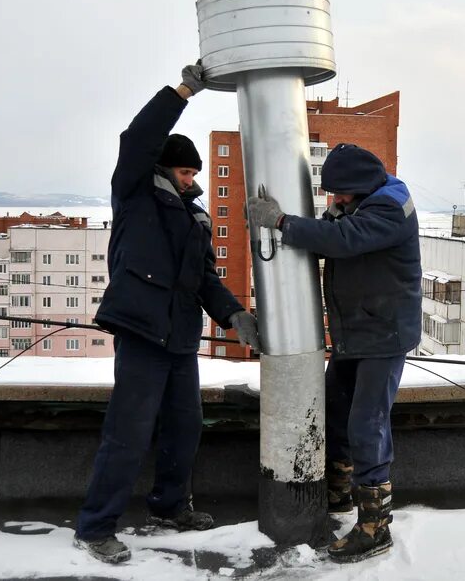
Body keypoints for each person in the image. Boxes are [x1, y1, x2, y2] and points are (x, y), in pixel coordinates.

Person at [74, 63, 260, 564]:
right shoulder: (134, 191)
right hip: (140, 332)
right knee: (128, 433)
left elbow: (203, 280)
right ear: (162, 167)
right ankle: (95, 528)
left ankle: (170, 506)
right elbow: (138, 135)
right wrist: (182, 92)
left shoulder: (195, 215)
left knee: (185, 426)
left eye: (196, 172)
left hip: (180, 338)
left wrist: (234, 317)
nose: (192, 179)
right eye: (185, 171)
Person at [247, 143, 421, 563]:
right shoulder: (362, 204)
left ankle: (374, 526)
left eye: (340, 193)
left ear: (359, 187)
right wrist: (310, 225)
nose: (335, 200)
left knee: (368, 424)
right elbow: (335, 234)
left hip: (382, 335)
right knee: (336, 410)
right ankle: (340, 492)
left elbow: (345, 240)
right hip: (357, 332)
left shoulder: (390, 207)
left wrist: (284, 222)